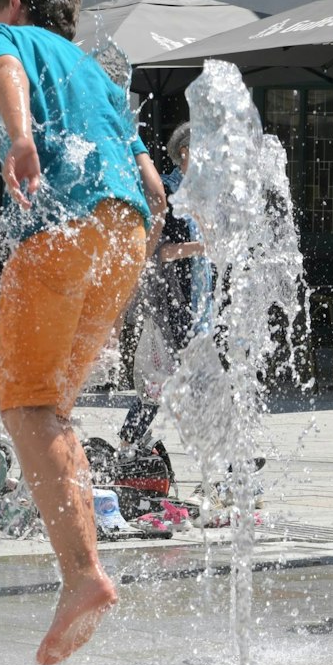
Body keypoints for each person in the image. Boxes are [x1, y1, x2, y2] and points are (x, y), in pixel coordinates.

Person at [0, 0, 166, 665]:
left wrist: (20, 137)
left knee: (26, 404)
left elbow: (5, 67)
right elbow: (150, 180)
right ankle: (83, 566)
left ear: (13, 4)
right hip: (127, 233)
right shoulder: (96, 70)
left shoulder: (7, 36)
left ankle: (83, 575)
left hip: (64, 225)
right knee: (54, 407)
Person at [119, 122, 210, 449]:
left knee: (161, 386)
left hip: (194, 304)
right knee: (194, 384)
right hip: (172, 303)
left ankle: (128, 446)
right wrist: (204, 247)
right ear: (184, 153)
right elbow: (159, 252)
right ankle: (226, 467)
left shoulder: (194, 194)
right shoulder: (167, 194)